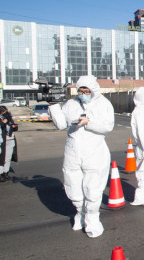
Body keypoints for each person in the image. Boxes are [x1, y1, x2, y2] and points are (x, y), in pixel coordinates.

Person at [49, 75, 114, 238]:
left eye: (86, 91)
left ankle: (92, 219)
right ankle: (81, 213)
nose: (83, 93)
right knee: (73, 186)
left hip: (94, 151)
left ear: (94, 90)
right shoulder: (71, 104)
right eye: (80, 91)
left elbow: (108, 126)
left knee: (92, 189)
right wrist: (53, 107)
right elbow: (61, 124)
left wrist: (88, 122)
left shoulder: (104, 104)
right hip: (73, 150)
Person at [0, 106, 18, 182]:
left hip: (10, 139)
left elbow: (15, 128)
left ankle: (5, 172)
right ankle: (1, 174)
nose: (6, 113)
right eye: (4, 112)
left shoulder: (9, 119)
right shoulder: (1, 120)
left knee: (8, 158)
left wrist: (14, 126)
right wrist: (2, 122)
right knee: (2, 158)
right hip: (3, 141)